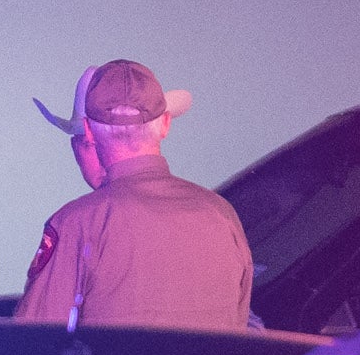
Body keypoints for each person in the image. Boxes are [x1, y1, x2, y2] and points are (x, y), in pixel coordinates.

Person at [16, 60, 256, 330]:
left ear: (91, 134)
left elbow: (35, 342)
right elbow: (239, 329)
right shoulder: (221, 213)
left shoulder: (75, 223)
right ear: (165, 124)